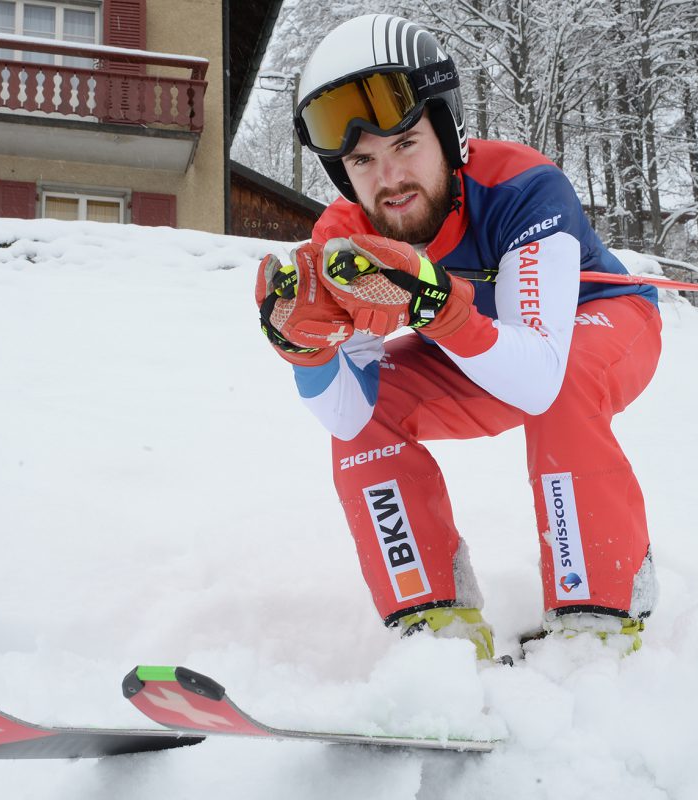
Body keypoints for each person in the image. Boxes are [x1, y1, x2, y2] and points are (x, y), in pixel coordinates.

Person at [254, 14, 662, 660]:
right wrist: (309, 354)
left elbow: (538, 376)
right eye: (362, 159)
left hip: (600, 319)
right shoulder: (345, 237)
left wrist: (441, 309)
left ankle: (600, 618)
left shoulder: (524, 187)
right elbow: (348, 414)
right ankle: (435, 623)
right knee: (375, 409)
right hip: (478, 350)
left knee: (566, 382)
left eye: (406, 143)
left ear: (446, 132)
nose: (388, 178)